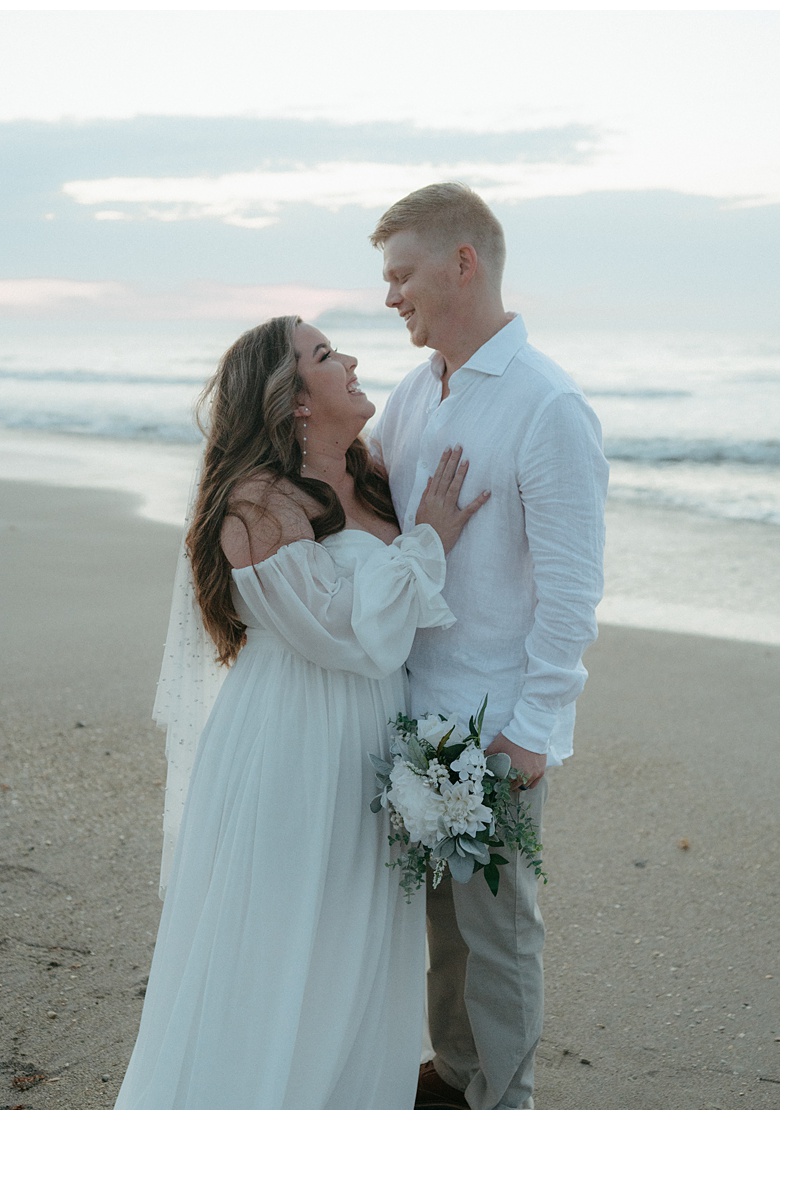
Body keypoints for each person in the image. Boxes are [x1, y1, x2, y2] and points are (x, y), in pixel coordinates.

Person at [114, 315, 489, 1109]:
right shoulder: (257, 504)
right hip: (294, 739)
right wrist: (428, 544)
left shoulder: (373, 469)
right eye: (325, 356)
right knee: (279, 940)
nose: (350, 360)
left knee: (356, 939)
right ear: (293, 402)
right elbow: (340, 634)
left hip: (371, 738)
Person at [369, 183, 609, 1110]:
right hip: (417, 705)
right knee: (443, 921)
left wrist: (535, 726)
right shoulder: (414, 387)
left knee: (501, 931)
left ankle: (505, 1108)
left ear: (462, 262)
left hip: (495, 721)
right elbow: (369, 498)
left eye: (403, 274)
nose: (392, 296)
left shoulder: (548, 407)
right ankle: (456, 1072)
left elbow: (572, 589)